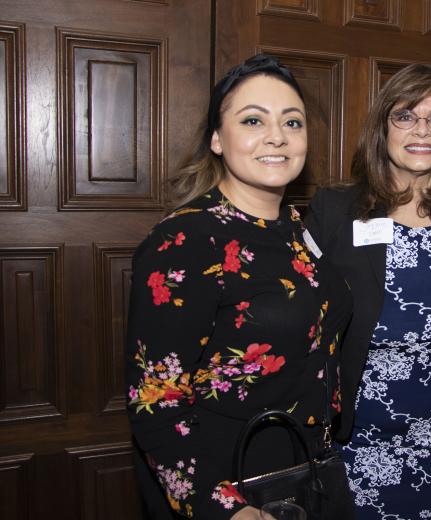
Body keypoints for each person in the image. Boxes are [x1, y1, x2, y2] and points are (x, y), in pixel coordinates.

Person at [125, 54, 352, 519]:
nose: (277, 136)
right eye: (253, 120)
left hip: (305, 460)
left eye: (293, 122)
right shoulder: (185, 240)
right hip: (224, 472)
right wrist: (225, 507)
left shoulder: (294, 227)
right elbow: (157, 399)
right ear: (216, 139)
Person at [304, 63, 431, 519]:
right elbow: (298, 321)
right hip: (355, 443)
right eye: (405, 116)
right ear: (383, 127)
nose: (421, 130)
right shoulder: (335, 212)